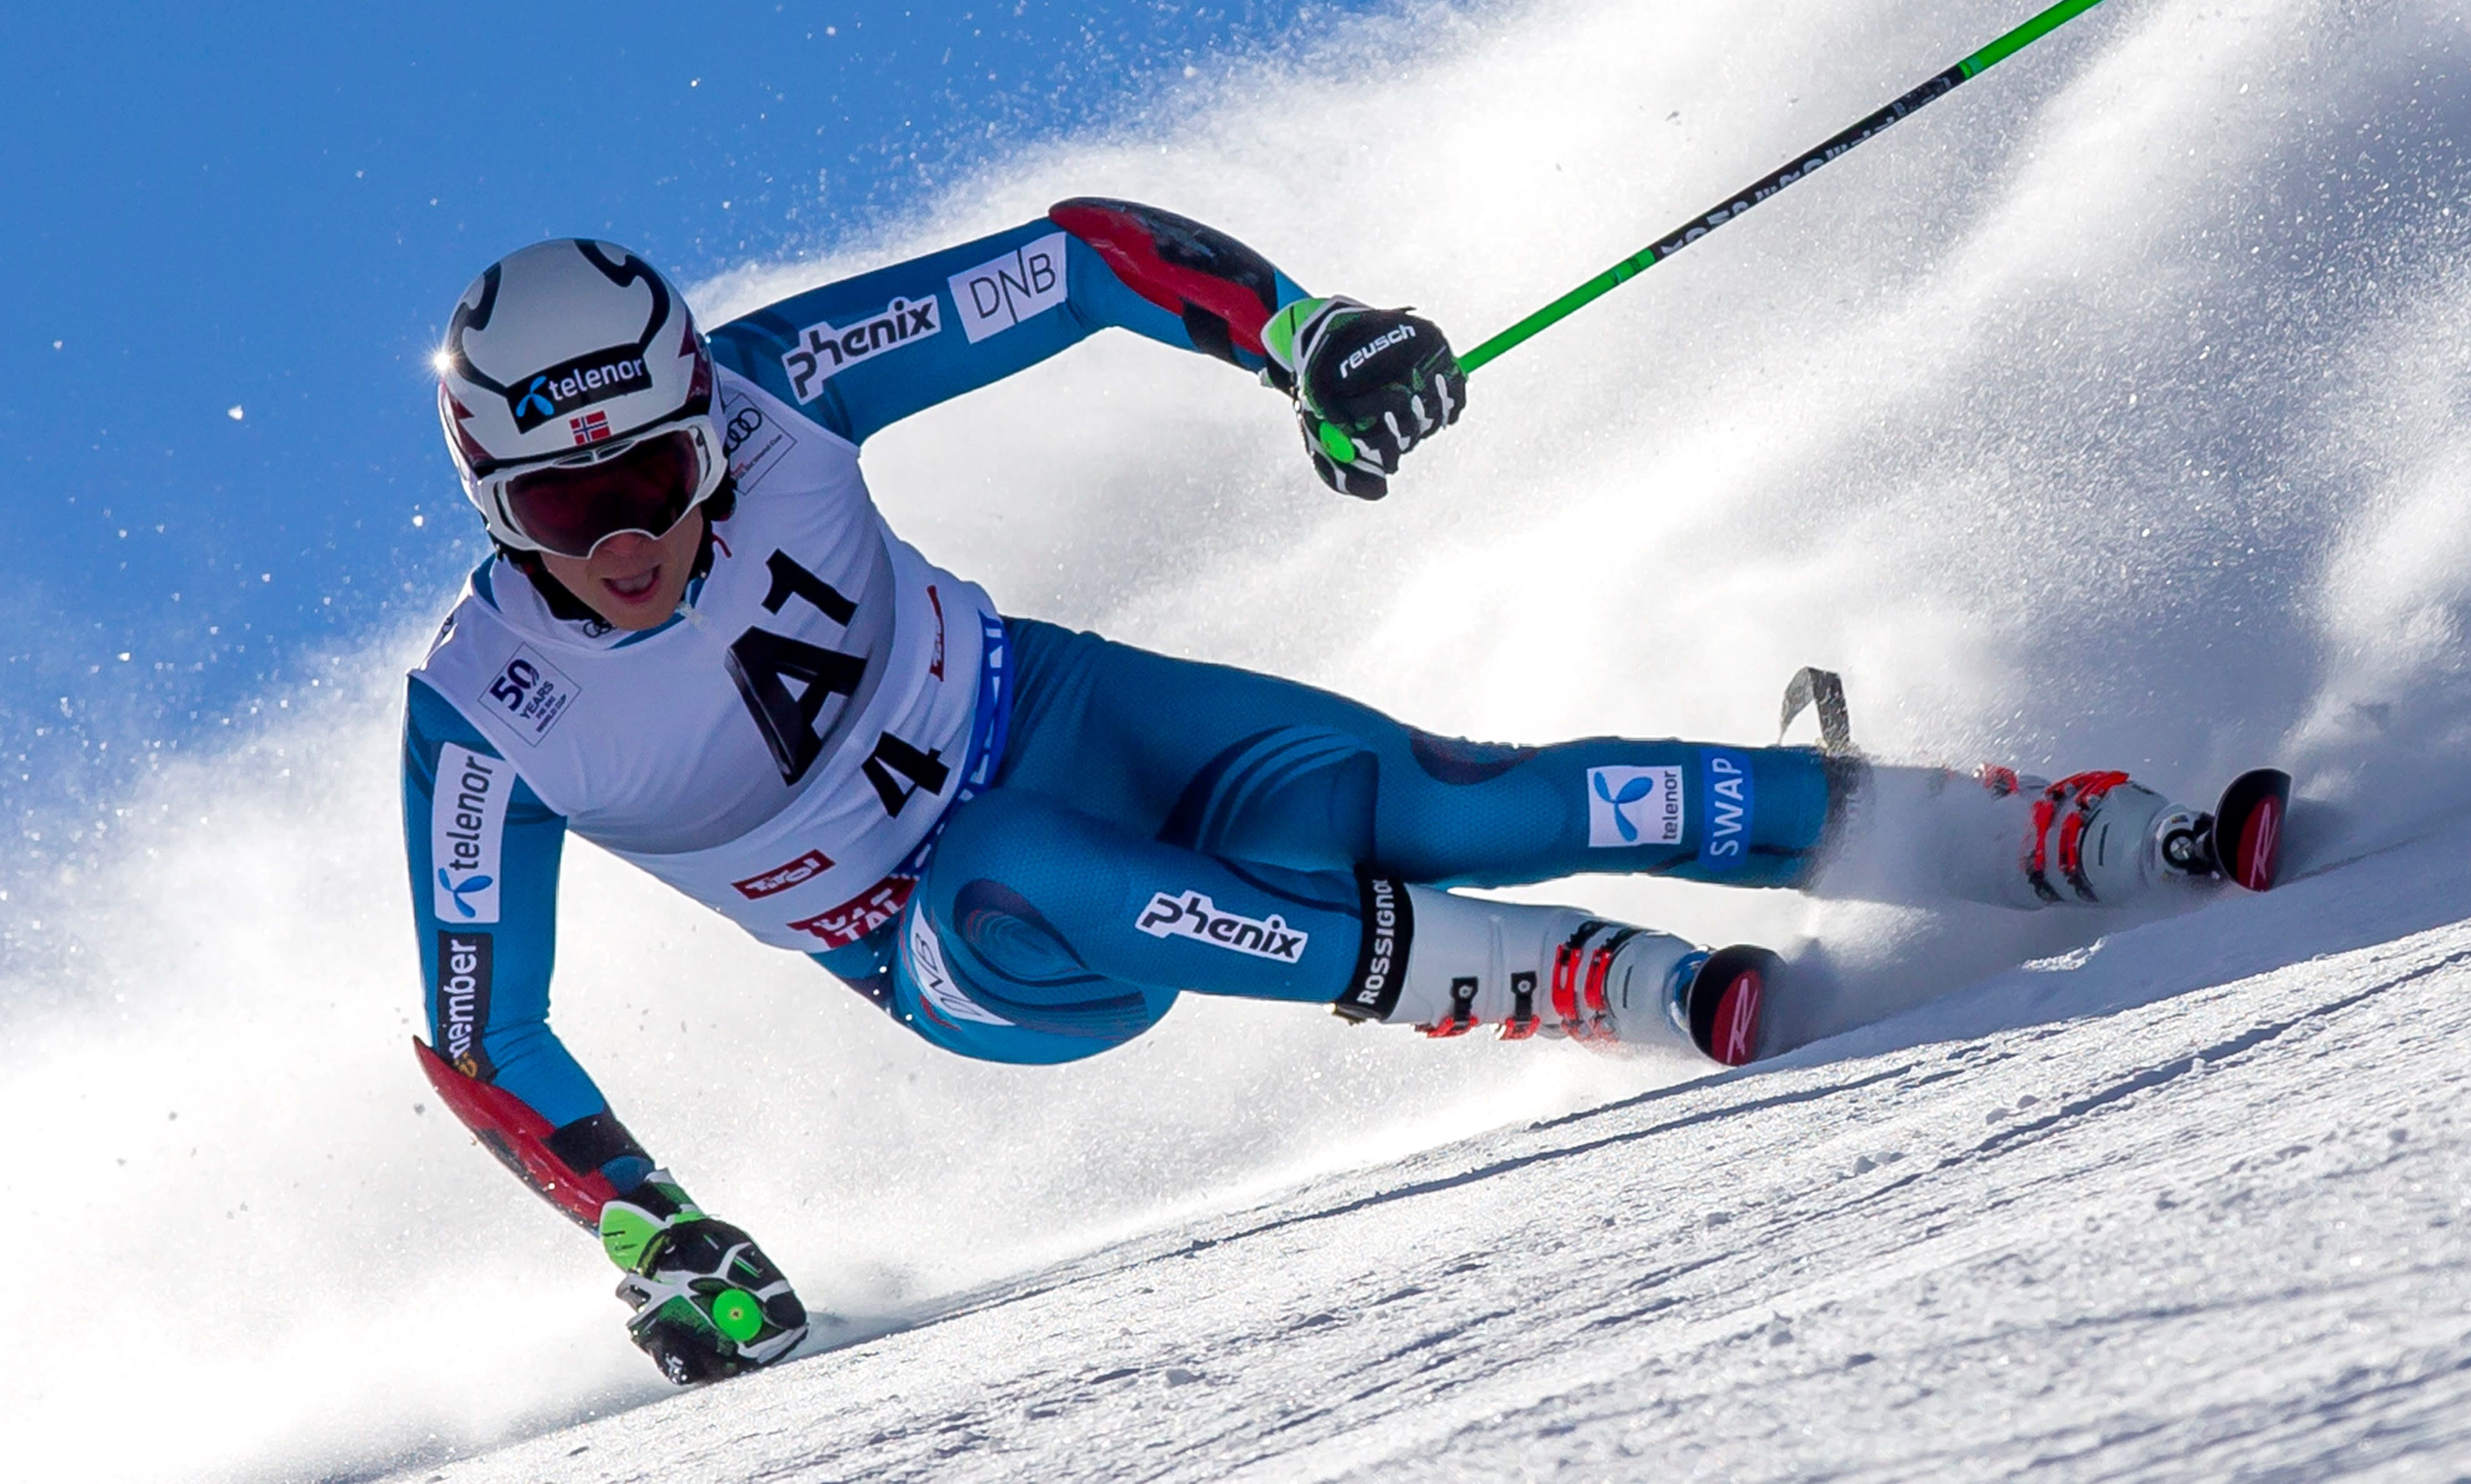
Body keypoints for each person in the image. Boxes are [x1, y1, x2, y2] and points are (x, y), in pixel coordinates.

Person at [399, 202, 2286, 1381]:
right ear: (497, 502)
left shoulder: (781, 388)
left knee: (1462, 794)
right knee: (1021, 855)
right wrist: (652, 1233)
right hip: (965, 946)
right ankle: (1570, 978)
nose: (636, 528)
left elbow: (1076, 261)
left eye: (658, 468)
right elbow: (484, 1033)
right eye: (572, 508)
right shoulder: (488, 720)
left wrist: (1310, 340)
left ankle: (2054, 837)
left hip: (1075, 709)